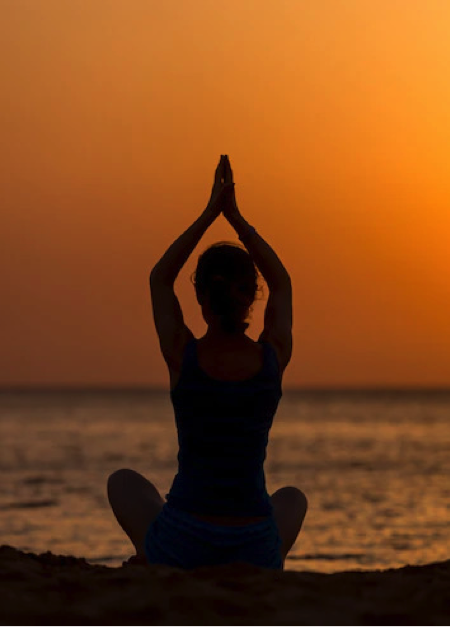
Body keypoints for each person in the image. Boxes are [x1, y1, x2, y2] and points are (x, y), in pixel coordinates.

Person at [106, 155, 307, 569]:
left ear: (199, 296)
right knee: (292, 500)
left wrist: (209, 213)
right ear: (252, 296)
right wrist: (236, 218)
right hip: (253, 547)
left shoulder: (183, 353)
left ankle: (150, 556)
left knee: (122, 482)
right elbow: (283, 281)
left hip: (183, 543)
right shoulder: (272, 358)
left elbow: (160, 277)